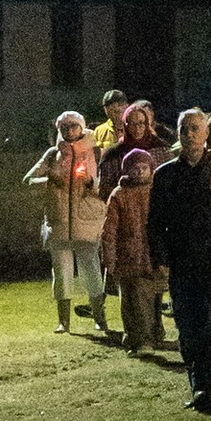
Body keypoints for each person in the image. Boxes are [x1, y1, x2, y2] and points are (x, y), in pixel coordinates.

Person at [148, 108, 211, 410]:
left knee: (209, 325)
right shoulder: (165, 176)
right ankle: (198, 383)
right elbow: (156, 224)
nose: (189, 134)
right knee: (187, 327)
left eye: (194, 129)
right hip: (182, 264)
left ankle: (204, 387)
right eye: (184, 129)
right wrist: (160, 260)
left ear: (205, 134)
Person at [24, 112, 108, 332]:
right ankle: (64, 321)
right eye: (64, 127)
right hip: (59, 221)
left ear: (82, 127)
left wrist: (91, 183)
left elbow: (107, 183)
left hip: (87, 220)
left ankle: (99, 317)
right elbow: (28, 180)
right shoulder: (53, 154)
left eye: (74, 126)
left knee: (91, 271)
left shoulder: (96, 152)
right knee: (62, 273)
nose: (69, 131)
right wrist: (50, 179)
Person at [100, 101, 163, 352]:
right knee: (130, 297)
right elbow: (109, 228)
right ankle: (136, 335)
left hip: (151, 251)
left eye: (142, 122)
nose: (137, 127)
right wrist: (109, 256)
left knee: (149, 294)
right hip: (129, 252)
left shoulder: (159, 154)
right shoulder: (119, 189)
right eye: (132, 123)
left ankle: (148, 334)